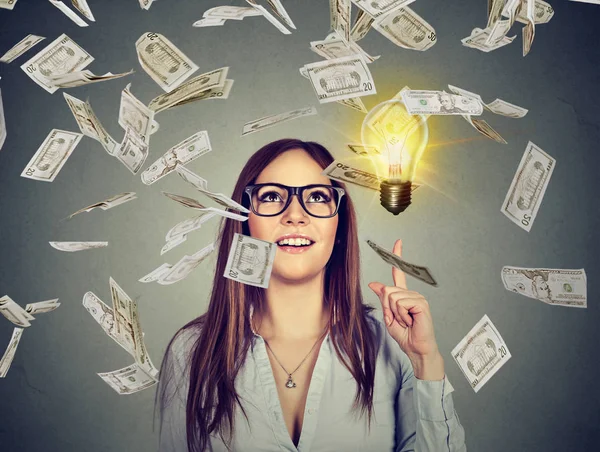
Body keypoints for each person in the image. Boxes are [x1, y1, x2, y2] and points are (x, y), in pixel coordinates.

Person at [156, 138, 467, 452]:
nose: (294, 215)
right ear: (244, 219)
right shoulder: (192, 351)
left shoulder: (391, 343)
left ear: (339, 222)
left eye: (317, 196)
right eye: (272, 196)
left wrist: (426, 361)